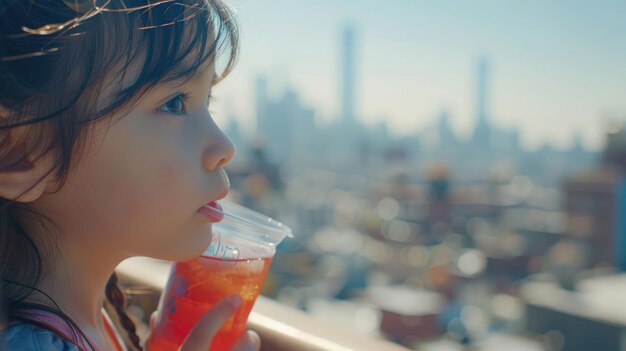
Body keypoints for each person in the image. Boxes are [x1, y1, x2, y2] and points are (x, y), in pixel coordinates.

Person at [0, 0, 261, 349]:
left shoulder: (86, 319)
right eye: (174, 103)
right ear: (20, 154)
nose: (224, 147)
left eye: (207, 100)